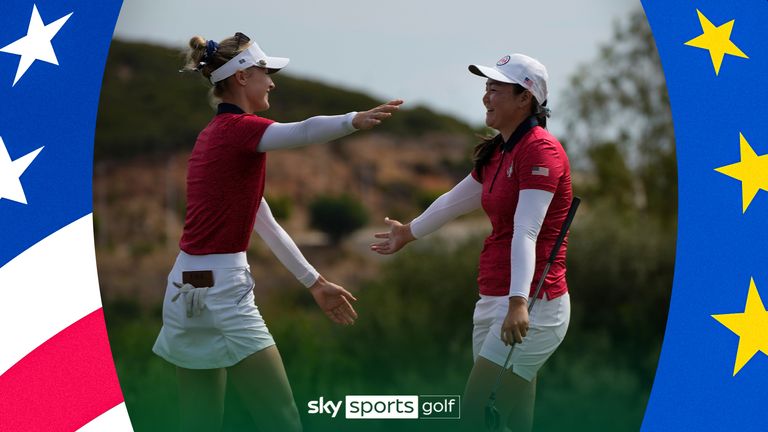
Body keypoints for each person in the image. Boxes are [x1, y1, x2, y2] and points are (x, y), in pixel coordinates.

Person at [152, 32, 402, 432]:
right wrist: (352, 121)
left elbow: (264, 222)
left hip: (182, 289)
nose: (272, 81)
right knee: (282, 419)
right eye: (265, 72)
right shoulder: (240, 129)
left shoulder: (210, 138)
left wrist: (315, 281)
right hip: (222, 292)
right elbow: (302, 131)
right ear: (240, 78)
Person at [371, 53, 572, 431]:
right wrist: (408, 232)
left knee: (477, 414)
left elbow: (526, 231)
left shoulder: (540, 150)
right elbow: (453, 201)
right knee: (512, 422)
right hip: (496, 296)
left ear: (524, 98)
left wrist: (517, 302)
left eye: (495, 89)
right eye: (486, 87)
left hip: (533, 303)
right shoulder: (499, 151)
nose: (486, 96)